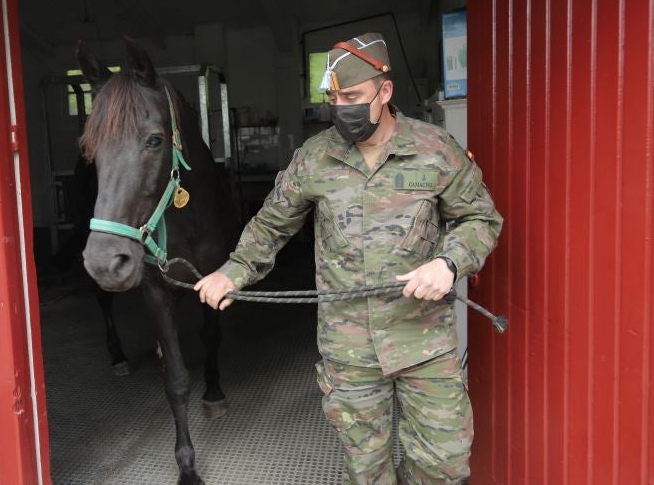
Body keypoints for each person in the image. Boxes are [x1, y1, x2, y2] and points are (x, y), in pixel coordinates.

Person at [194, 33, 503, 484]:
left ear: (385, 91)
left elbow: (481, 218)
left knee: (444, 464)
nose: (343, 108)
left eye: (354, 96)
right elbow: (271, 225)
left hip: (423, 343)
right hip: (349, 349)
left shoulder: (436, 149)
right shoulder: (314, 158)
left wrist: (449, 263)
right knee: (366, 468)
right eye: (334, 98)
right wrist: (232, 273)